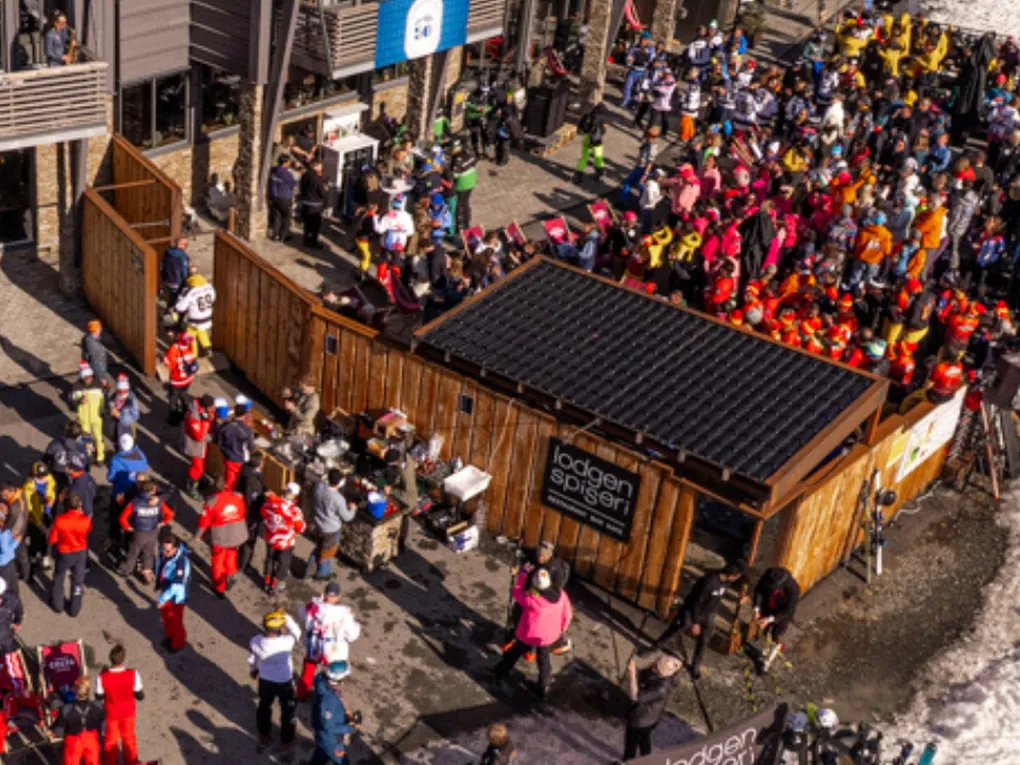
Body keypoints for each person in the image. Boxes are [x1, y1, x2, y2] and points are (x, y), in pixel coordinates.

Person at [649, 561, 746, 678]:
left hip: (709, 614)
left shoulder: (726, 582)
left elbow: (721, 595)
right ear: (731, 575)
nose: (736, 579)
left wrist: (738, 600)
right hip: (693, 610)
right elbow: (696, 603)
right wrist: (696, 623)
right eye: (737, 577)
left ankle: (695, 666)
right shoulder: (709, 582)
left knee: (704, 640)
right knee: (677, 629)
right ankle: (656, 646)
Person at [492, 568, 573, 697]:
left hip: (529, 635)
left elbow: (516, 592)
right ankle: (543, 687)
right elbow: (567, 614)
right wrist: (561, 629)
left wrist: (523, 575)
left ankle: (499, 672)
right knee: (544, 660)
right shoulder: (561, 595)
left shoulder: (532, 599)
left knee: (514, 653)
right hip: (549, 636)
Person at [296, 581, 361, 701]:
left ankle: (302, 694)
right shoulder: (345, 613)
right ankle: (329, 699)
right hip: (334, 652)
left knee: (308, 670)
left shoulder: (314, 608)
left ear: (324, 594)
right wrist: (356, 623)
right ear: (338, 596)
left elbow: (301, 614)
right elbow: (352, 635)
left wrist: (317, 602)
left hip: (315, 647)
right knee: (331, 677)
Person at [248, 609, 301, 755]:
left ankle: (264, 735)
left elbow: (252, 659)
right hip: (285, 681)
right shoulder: (287, 642)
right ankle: (286, 740)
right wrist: (286, 616)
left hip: (265, 681)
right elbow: (297, 631)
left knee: (264, 708)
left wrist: (253, 670)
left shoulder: (255, 641)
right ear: (280, 628)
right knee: (288, 712)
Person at [195, 478, 248, 598]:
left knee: (218, 562)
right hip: (236, 534)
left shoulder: (212, 501)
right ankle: (230, 574)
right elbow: (243, 511)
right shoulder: (237, 497)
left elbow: (203, 522)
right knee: (231, 554)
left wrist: (198, 536)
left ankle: (219, 587)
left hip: (220, 537)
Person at [623, 655, 683, 760]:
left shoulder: (661, 688)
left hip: (641, 720)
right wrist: (634, 669)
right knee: (644, 739)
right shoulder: (662, 675)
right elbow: (644, 675)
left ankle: (627, 761)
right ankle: (647, 760)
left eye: (656, 667)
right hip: (650, 718)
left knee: (631, 744)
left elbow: (635, 696)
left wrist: (632, 674)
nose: (653, 667)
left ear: (662, 673)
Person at [95, 645, 143, 765]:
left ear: (110, 659)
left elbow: (98, 696)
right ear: (123, 659)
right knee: (129, 739)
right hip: (128, 713)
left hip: (111, 714)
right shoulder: (133, 674)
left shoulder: (102, 677)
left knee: (111, 741)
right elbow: (140, 695)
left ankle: (111, 762)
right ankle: (131, 761)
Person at [118, 480, 174, 582]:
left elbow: (122, 518)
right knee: (148, 552)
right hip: (153, 532)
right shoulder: (158, 502)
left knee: (133, 553)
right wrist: (162, 523)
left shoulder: (134, 503)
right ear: (153, 490)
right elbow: (170, 514)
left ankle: (127, 571)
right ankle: (147, 572)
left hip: (139, 533)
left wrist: (128, 528)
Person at [309, 651, 358, 765]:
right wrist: (350, 727)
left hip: (321, 735)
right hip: (331, 740)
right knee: (342, 761)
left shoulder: (320, 679)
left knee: (321, 753)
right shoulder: (329, 700)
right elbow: (328, 727)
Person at [306, 469, 355, 581]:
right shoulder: (338, 499)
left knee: (320, 547)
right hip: (331, 529)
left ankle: (310, 568)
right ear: (340, 482)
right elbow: (347, 517)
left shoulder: (319, 487)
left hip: (319, 524)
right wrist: (352, 509)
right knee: (327, 552)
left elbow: (320, 481)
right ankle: (323, 573)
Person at [48, 493, 92, 616]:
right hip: (80, 552)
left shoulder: (60, 520)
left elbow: (53, 539)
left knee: (59, 577)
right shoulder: (86, 519)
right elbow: (87, 530)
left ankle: (58, 605)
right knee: (78, 579)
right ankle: (75, 608)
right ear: (79, 505)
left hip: (65, 552)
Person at [751, 566, 801, 669]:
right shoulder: (768, 575)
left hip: (781, 614)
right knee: (763, 630)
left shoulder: (793, 588)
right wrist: (756, 609)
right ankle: (763, 650)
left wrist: (770, 619)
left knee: (776, 635)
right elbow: (759, 590)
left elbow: (788, 611)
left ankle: (768, 661)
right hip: (767, 606)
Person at [107, 434, 148, 555]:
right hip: (136, 495)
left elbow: (111, 477)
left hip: (120, 494)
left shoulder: (116, 460)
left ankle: (115, 541)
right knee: (131, 520)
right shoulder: (141, 456)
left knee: (115, 519)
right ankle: (128, 545)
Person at [261, 483, 306, 595]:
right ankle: (275, 585)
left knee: (270, 559)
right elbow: (301, 528)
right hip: (286, 542)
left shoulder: (271, 502)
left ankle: (266, 581)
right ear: (296, 495)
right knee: (283, 563)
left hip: (271, 538)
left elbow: (263, 512)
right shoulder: (295, 511)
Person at [54, 677, 105, 765]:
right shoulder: (98, 706)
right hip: (91, 739)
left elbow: (59, 732)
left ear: (75, 691)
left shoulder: (67, 709)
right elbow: (104, 726)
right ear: (88, 691)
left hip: (73, 741)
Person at [156, 534, 191, 653]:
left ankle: (178, 643)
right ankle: (170, 637)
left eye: (167, 550)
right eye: (163, 548)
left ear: (176, 549)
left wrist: (162, 600)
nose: (164, 552)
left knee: (175, 622)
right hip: (166, 592)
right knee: (166, 618)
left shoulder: (181, 563)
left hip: (176, 598)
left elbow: (176, 586)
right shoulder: (168, 554)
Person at [68, 363, 106, 465]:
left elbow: (105, 399)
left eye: (90, 377)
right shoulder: (76, 387)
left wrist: (103, 412)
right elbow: (71, 403)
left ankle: (100, 457)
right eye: (86, 377)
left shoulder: (98, 385)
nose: (89, 379)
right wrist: (79, 401)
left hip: (97, 417)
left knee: (99, 438)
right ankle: (88, 456)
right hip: (84, 420)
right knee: (85, 440)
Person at [174, 268, 216, 357]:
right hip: (207, 317)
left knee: (191, 335)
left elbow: (180, 307)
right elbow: (213, 298)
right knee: (201, 330)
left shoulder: (190, 292)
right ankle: (207, 347)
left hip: (195, 319)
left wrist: (175, 309)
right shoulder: (209, 287)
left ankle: (193, 355)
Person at [182, 393, 217, 499]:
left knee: (201, 463)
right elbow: (199, 436)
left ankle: (199, 479)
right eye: (211, 407)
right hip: (195, 445)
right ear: (205, 407)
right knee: (197, 467)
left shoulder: (201, 410)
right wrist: (213, 436)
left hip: (200, 444)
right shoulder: (194, 417)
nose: (213, 409)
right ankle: (192, 487)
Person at [23, 462, 56, 572]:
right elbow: (28, 506)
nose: (42, 478)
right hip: (35, 518)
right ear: (34, 475)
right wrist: (36, 521)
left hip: (47, 515)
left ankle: (44, 558)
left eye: (44, 475)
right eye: (40, 476)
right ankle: (32, 558)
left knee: (47, 540)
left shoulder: (50, 480)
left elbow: (52, 493)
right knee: (35, 539)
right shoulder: (28, 487)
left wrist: (50, 499)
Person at [237, 452, 267, 573]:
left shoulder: (248, 470)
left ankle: (243, 561)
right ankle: (243, 564)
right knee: (249, 540)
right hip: (252, 514)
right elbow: (249, 497)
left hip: (250, 512)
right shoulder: (251, 480)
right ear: (259, 464)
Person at [215, 401, 254, 492]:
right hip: (241, 460)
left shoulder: (225, 426)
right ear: (244, 415)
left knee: (229, 481)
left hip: (229, 458)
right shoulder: (247, 431)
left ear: (234, 412)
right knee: (239, 483)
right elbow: (251, 447)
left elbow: (219, 442)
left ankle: (228, 499)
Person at [163, 332, 199, 426]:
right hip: (188, 379)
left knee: (173, 399)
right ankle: (186, 414)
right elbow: (194, 357)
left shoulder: (174, 348)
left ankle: (174, 420)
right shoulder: (190, 346)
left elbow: (168, 364)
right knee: (184, 395)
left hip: (177, 380)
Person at [44, 420, 89, 491]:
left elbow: (46, 458)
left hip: (57, 473)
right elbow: (86, 462)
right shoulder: (82, 446)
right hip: (75, 478)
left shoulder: (55, 443)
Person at [0, 483, 29, 582]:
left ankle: (25, 575)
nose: (4, 498)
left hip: (16, 532)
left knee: (20, 554)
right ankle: (26, 573)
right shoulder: (21, 493)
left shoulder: (14, 508)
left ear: (11, 491)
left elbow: (8, 525)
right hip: (22, 527)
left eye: (5, 495)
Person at [574, 102, 607, 186]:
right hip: (597, 141)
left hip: (587, 139)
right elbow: (603, 131)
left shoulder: (587, 116)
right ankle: (600, 174)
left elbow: (580, 127)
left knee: (584, 158)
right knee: (598, 158)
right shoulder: (602, 118)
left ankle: (578, 176)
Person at [300, 160, 330, 249]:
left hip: (305, 203)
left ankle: (306, 240)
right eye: (320, 166)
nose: (322, 168)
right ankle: (313, 243)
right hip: (315, 206)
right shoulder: (317, 179)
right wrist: (326, 190)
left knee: (307, 225)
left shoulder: (305, 175)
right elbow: (323, 193)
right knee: (315, 226)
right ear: (315, 167)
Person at [451, 140, 479, 232]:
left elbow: (455, 175)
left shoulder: (457, 160)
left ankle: (462, 224)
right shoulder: (469, 154)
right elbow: (475, 163)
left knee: (461, 204)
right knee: (466, 201)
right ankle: (466, 221)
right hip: (472, 181)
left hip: (462, 185)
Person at [269, 157, 299, 241]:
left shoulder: (274, 170)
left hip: (275, 196)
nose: (289, 164)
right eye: (288, 162)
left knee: (277, 216)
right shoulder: (286, 173)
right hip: (284, 197)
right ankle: (283, 236)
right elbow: (293, 184)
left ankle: (275, 235)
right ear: (285, 163)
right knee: (286, 217)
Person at [107, 374, 140, 440]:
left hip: (128, 426)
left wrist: (120, 416)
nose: (122, 393)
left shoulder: (131, 400)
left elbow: (136, 415)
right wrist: (112, 407)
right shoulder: (115, 396)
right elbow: (111, 401)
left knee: (128, 443)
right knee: (118, 440)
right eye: (120, 391)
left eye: (125, 391)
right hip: (117, 425)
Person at [160, 237, 190, 305]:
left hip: (167, 278)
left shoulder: (167, 252)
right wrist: (186, 282)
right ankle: (171, 311)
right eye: (185, 244)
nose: (186, 246)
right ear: (179, 245)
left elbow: (162, 264)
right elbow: (184, 272)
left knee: (171, 295)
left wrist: (163, 276)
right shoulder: (183, 257)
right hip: (177, 281)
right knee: (175, 298)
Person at [80, 320, 110, 388]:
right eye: (99, 328)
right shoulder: (92, 343)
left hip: (95, 363)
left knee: (96, 376)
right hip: (98, 364)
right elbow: (95, 357)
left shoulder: (87, 337)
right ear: (96, 330)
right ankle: (104, 388)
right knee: (101, 376)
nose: (101, 329)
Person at [0, 579, 23, 659]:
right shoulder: (13, 597)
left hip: (6, 634)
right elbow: (19, 612)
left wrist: (17, 622)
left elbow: (19, 612)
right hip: (7, 634)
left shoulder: (13, 598)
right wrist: (18, 622)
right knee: (8, 655)